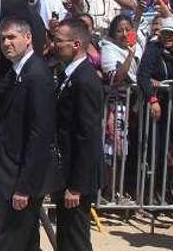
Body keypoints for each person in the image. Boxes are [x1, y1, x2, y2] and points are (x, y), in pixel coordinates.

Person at [0, 18, 57, 251]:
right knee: (26, 242)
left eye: (12, 37)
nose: (6, 43)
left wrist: (24, 186)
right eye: (3, 38)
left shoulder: (37, 74)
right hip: (12, 173)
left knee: (12, 242)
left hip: (22, 178)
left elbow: (40, 135)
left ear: (28, 38)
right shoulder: (19, 72)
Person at [50, 18, 104, 251]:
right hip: (66, 171)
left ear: (76, 44)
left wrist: (76, 185)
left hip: (77, 178)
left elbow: (87, 135)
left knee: (76, 239)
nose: (54, 45)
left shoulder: (85, 80)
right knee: (66, 237)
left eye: (59, 41)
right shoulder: (69, 75)